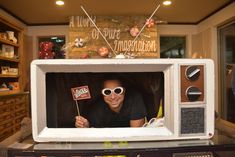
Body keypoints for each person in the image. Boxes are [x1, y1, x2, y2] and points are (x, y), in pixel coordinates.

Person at [75, 77, 147, 128]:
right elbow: (96, 138)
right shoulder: (96, 109)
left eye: (117, 90)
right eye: (107, 92)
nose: (113, 96)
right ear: (102, 94)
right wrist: (86, 127)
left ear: (124, 91)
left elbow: (135, 134)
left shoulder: (134, 98)